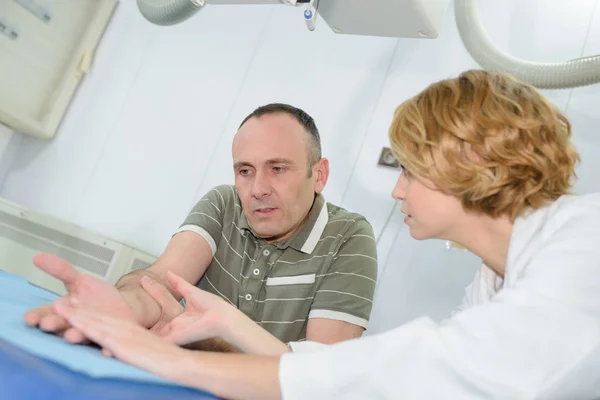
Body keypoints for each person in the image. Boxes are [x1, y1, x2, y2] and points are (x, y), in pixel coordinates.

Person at [51, 70, 600, 399]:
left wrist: (174, 360)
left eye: (409, 170)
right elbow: (353, 381)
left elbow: (411, 374)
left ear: (469, 160)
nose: (398, 192)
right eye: (246, 171)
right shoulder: (492, 282)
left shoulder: (582, 244)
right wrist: (219, 322)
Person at [25, 103, 379, 350]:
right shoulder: (225, 203)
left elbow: (318, 378)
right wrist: (124, 304)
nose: (257, 189)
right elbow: (161, 280)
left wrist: (202, 337)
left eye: (278, 168)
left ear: (319, 175)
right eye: (245, 170)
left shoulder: (349, 237)